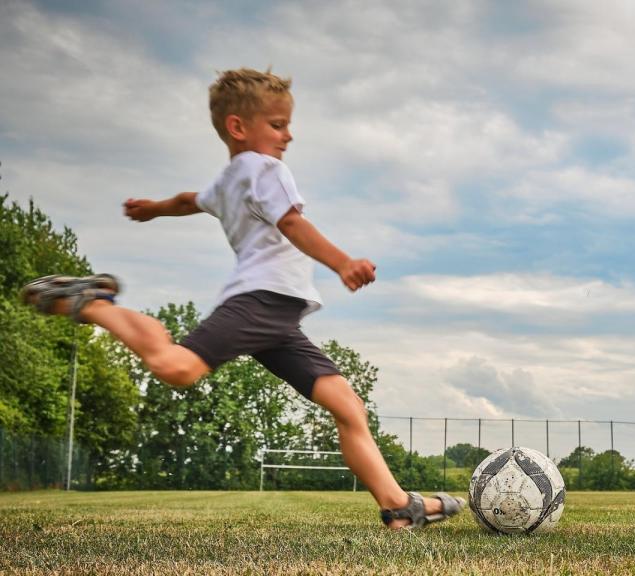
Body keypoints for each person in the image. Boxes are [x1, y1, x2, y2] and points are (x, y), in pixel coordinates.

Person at [20, 68, 463, 530]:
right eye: (277, 125)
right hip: (260, 302)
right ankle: (92, 302)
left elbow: (191, 199)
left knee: (347, 405)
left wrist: (153, 209)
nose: (288, 136)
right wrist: (342, 263)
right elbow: (292, 224)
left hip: (279, 318)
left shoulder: (230, 178)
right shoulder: (264, 169)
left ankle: (399, 508)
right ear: (238, 127)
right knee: (176, 366)